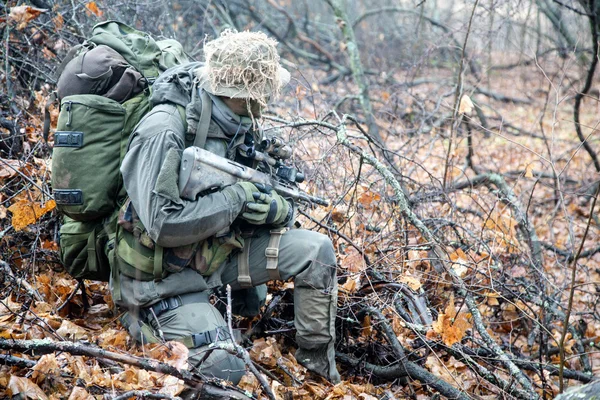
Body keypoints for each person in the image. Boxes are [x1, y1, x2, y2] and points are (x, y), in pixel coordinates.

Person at [109, 29, 341, 385]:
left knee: (316, 251)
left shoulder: (238, 123)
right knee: (224, 368)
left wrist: (277, 210)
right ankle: (151, 320)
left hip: (215, 259)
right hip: (159, 280)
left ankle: (319, 374)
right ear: (239, 93)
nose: (264, 104)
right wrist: (237, 199)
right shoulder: (165, 129)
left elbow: (268, 192)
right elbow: (161, 224)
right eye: (258, 96)